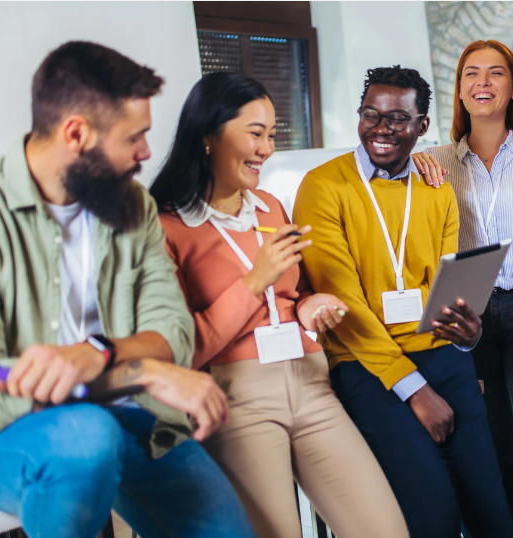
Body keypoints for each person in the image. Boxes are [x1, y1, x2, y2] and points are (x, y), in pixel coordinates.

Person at [0, 42, 256, 538]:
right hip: (8, 432)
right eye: (135, 137)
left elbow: (172, 331)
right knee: (86, 437)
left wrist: (98, 355)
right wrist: (143, 370)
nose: (147, 153)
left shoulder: (132, 204)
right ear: (76, 134)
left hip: (130, 416)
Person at [150, 71, 409, 538]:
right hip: (238, 399)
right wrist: (254, 281)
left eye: (271, 135)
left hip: (312, 383)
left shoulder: (270, 206)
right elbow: (181, 350)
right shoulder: (166, 226)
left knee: (386, 529)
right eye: (255, 134)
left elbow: (295, 292)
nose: (267, 148)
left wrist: (311, 307)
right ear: (208, 135)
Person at [292, 65, 513, 538]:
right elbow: (344, 305)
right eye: (371, 115)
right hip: (368, 366)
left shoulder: (437, 189)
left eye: (397, 119)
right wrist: (414, 390)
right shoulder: (323, 186)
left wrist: (467, 329)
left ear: (422, 126)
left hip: (441, 354)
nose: (381, 129)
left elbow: (445, 289)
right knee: (432, 514)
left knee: (492, 508)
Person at [411, 39, 513, 538]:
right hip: (466, 319)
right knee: (495, 466)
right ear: (459, 92)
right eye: (471, 74)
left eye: (496, 73)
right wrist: (410, 167)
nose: (483, 82)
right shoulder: (432, 161)